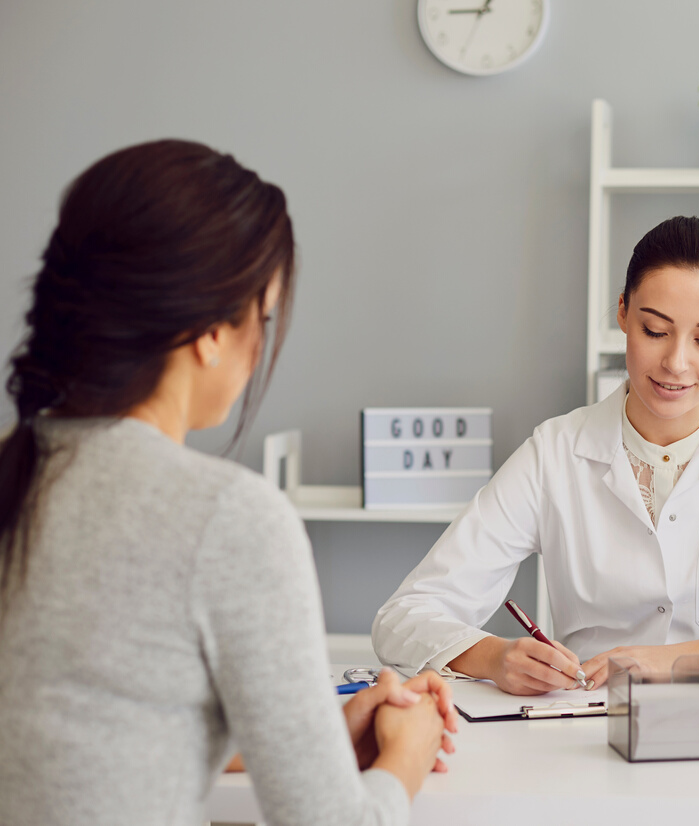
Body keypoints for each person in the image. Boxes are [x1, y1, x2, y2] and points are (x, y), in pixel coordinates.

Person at [0, 140, 457, 826]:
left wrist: (318, 735)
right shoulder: (224, 517)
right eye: (262, 318)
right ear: (212, 331)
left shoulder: (18, 473)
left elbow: (85, 745)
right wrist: (407, 758)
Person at [372, 215, 699, 695]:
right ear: (622, 312)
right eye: (655, 331)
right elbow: (405, 617)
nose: (676, 363)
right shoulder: (554, 454)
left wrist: (696, 654)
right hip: (588, 727)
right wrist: (494, 656)